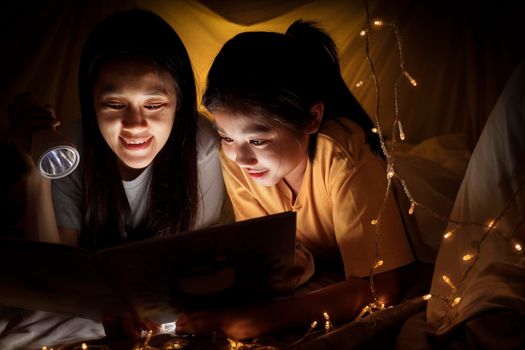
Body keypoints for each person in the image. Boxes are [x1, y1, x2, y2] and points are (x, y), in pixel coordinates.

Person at [0, 9, 227, 349]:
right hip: (92, 308)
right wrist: (35, 172)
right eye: (115, 104)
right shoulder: (68, 150)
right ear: (91, 104)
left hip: (165, 303)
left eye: (154, 104)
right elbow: (53, 277)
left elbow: (191, 259)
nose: (135, 124)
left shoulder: (201, 144)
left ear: (179, 103)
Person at [175, 20, 416, 340]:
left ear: (312, 118)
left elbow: (381, 288)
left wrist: (260, 320)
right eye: (227, 138)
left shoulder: (344, 158)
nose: (241, 157)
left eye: (258, 140)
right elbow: (266, 261)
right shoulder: (236, 158)